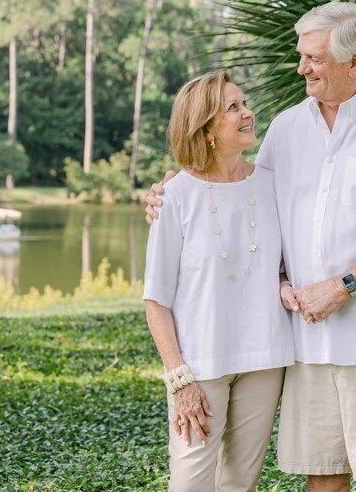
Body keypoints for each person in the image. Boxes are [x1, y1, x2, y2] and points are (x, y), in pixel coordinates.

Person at [146, 2, 356, 492]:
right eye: (301, 55)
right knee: (323, 479)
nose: (302, 67)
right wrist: (170, 193)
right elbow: (240, 194)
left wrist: (343, 287)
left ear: (355, 62)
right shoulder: (285, 129)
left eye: (315, 59)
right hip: (306, 347)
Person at [143, 70, 293, 492]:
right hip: (201, 364)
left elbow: (280, 265)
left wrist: (284, 287)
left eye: (244, 103)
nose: (248, 113)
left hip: (264, 358)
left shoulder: (271, 184)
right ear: (206, 128)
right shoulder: (175, 195)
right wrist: (179, 377)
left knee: (240, 484)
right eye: (233, 108)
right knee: (191, 483)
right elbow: (156, 297)